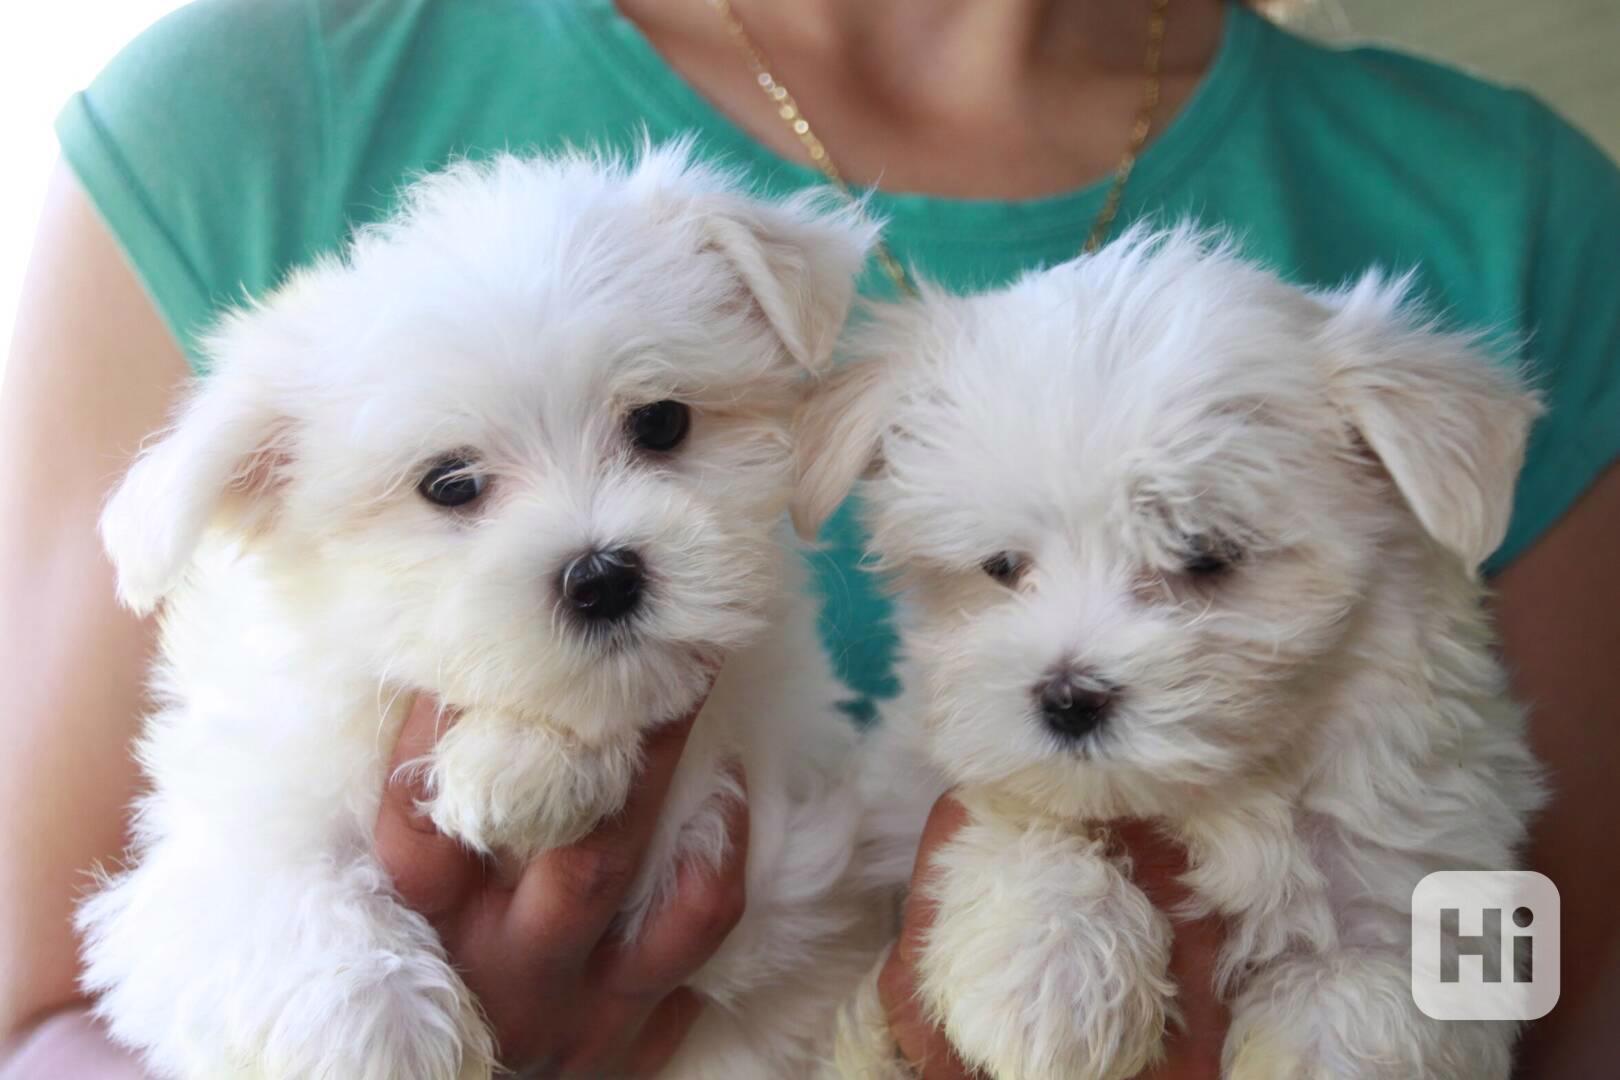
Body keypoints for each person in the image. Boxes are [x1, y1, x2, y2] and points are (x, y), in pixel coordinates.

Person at [2, 0, 1616, 1076]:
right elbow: (36, 1013)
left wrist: (1432, 1017)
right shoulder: (253, 110)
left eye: (1196, 558)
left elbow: (1547, 966)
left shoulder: (1514, 211)